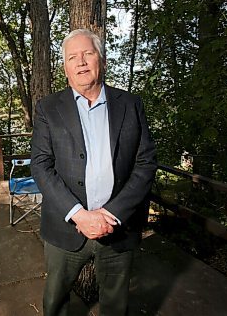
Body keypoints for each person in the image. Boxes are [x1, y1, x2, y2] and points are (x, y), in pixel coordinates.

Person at [30, 28, 157, 316]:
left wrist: (110, 214)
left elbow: (146, 163)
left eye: (88, 53)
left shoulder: (130, 104)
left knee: (115, 303)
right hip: (66, 227)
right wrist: (79, 214)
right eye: (73, 57)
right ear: (65, 68)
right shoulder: (48, 108)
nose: (81, 61)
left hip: (118, 226)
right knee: (55, 301)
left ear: (101, 59)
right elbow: (40, 163)